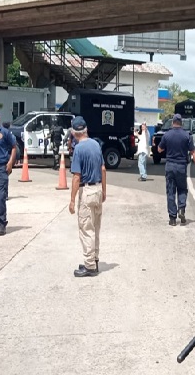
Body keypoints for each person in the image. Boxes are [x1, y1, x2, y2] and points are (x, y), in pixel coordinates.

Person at [68, 116, 106, 277]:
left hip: (87, 191)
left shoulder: (79, 149)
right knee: (95, 227)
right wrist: (104, 190)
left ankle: (89, 265)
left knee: (86, 229)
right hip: (97, 188)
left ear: (74, 133)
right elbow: (103, 169)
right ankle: (94, 259)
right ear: (86, 130)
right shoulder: (96, 144)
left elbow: (77, 177)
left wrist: (71, 200)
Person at [157, 113, 195, 226]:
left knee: (170, 191)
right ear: (181, 123)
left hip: (170, 165)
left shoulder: (167, 135)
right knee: (182, 189)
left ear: (173, 122)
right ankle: (181, 209)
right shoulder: (187, 135)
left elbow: (159, 150)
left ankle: (172, 218)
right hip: (181, 166)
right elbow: (193, 152)